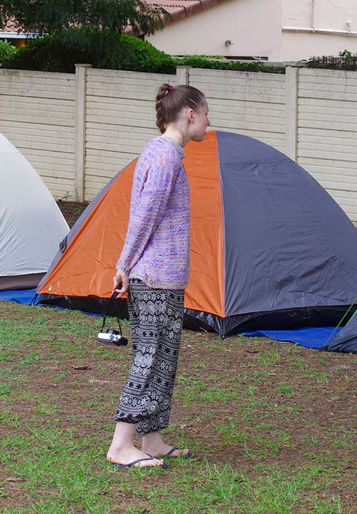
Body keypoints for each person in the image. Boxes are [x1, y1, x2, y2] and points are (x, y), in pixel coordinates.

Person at [106, 83, 210, 469]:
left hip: (164, 279)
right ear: (189, 115)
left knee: (165, 358)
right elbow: (144, 217)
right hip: (153, 278)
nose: (207, 121)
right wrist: (124, 264)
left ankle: (151, 439)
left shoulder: (159, 150)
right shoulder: (166, 157)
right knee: (150, 358)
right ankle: (121, 445)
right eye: (205, 113)